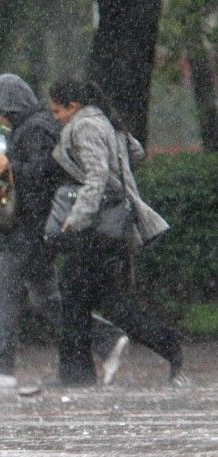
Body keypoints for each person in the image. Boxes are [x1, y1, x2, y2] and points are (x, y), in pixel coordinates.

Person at [0, 74, 130, 389]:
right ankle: (107, 340)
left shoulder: (36, 128)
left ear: (9, 106)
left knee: (5, 291)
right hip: (31, 229)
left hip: (31, 229)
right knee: (45, 299)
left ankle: (0, 365)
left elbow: (41, 177)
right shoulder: (22, 129)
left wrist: (8, 167)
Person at [47, 78, 185, 386]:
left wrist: (75, 219)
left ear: (73, 106)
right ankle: (166, 344)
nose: (55, 117)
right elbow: (135, 153)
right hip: (109, 228)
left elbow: (96, 176)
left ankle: (77, 375)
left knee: (77, 297)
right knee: (100, 299)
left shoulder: (84, 127)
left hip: (95, 229)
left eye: (57, 111)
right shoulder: (105, 121)